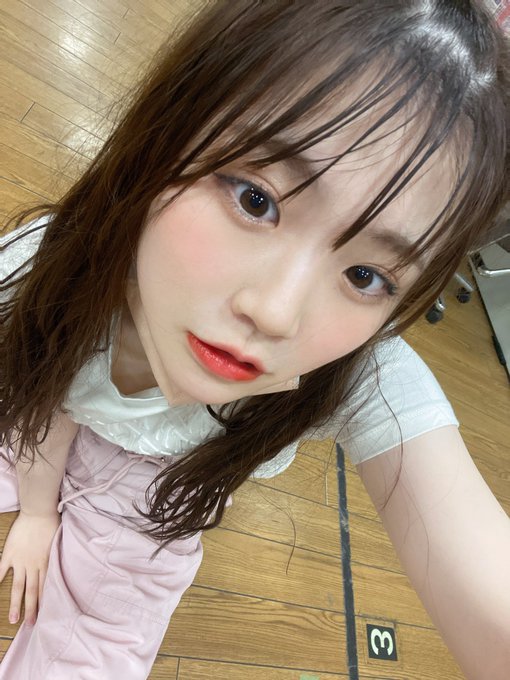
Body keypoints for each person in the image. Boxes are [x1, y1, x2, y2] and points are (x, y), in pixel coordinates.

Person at [0, 1, 509, 678]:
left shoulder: (354, 371)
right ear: (169, 129)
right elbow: (44, 398)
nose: (275, 314)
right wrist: (38, 513)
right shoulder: (45, 267)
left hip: (159, 490)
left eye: (365, 275)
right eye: (255, 199)